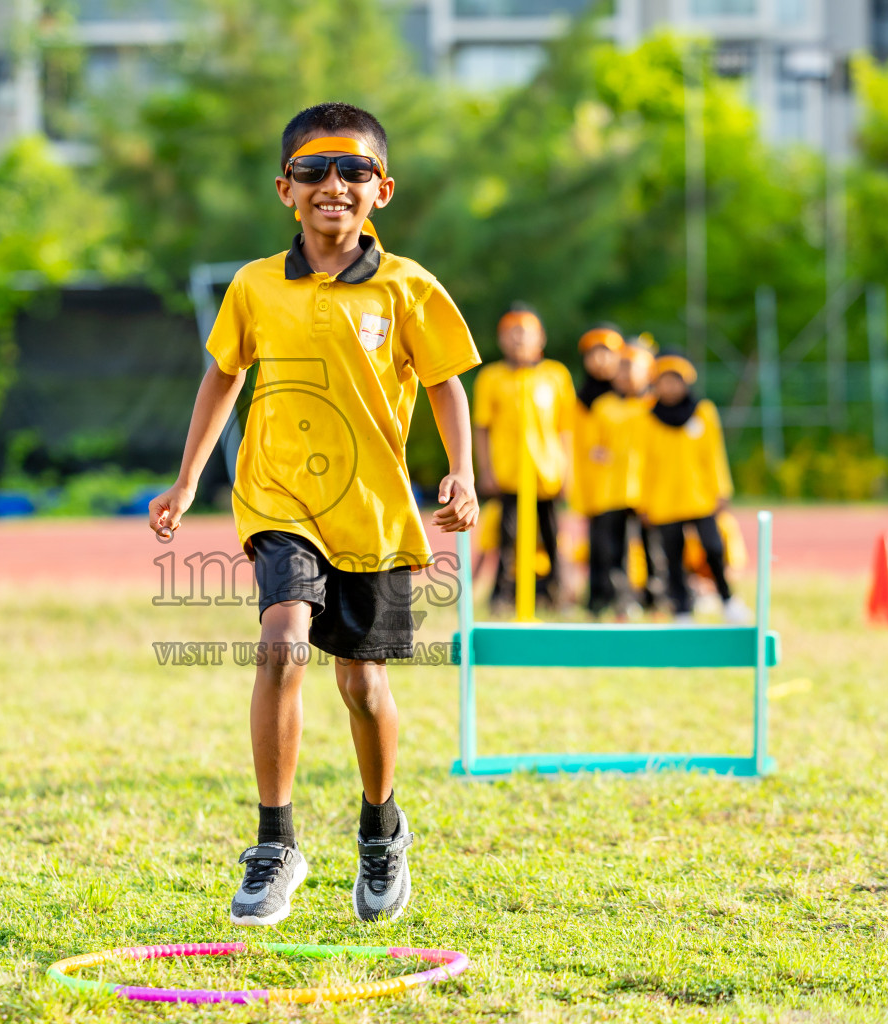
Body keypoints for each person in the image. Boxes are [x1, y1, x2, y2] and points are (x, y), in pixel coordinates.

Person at [147, 103, 481, 927]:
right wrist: (188, 480)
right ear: (284, 189)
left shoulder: (409, 288)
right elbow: (222, 377)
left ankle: (381, 827)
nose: (333, 184)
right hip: (277, 497)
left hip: (370, 513)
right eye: (313, 171)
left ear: (383, 189)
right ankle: (275, 842)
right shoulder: (255, 285)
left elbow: (446, 384)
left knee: (363, 685)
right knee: (281, 642)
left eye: (353, 170)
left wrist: (464, 474)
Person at [472, 306, 574, 614]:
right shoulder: (491, 377)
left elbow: (565, 428)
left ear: (540, 337)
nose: (519, 340)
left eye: (525, 333)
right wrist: (485, 469)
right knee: (507, 538)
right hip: (510, 473)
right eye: (511, 333)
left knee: (553, 537)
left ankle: (556, 595)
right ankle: (503, 596)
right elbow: (482, 428)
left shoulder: (556, 375)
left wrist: (568, 470)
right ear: (501, 339)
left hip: (546, 473)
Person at [638, 352, 753, 624]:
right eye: (663, 381)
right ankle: (681, 608)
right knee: (673, 556)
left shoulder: (703, 412)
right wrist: (643, 501)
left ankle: (727, 599)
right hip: (664, 499)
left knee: (713, 547)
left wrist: (721, 488)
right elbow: (642, 462)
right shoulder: (647, 418)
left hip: (699, 495)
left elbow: (713, 453)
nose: (669, 387)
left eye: (675, 380)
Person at [568, 323, 638, 618]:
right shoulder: (582, 399)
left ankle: (630, 596)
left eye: (606, 353)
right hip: (590, 479)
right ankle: (597, 596)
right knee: (597, 542)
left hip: (625, 484)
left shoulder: (629, 397)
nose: (599, 360)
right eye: (592, 353)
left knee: (625, 544)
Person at [613, 335, 660, 614]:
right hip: (618, 490)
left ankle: (657, 597)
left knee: (655, 547)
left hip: (651, 489)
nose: (626, 373)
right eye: (622, 366)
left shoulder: (657, 408)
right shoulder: (607, 406)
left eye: (632, 365)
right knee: (619, 548)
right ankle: (624, 599)